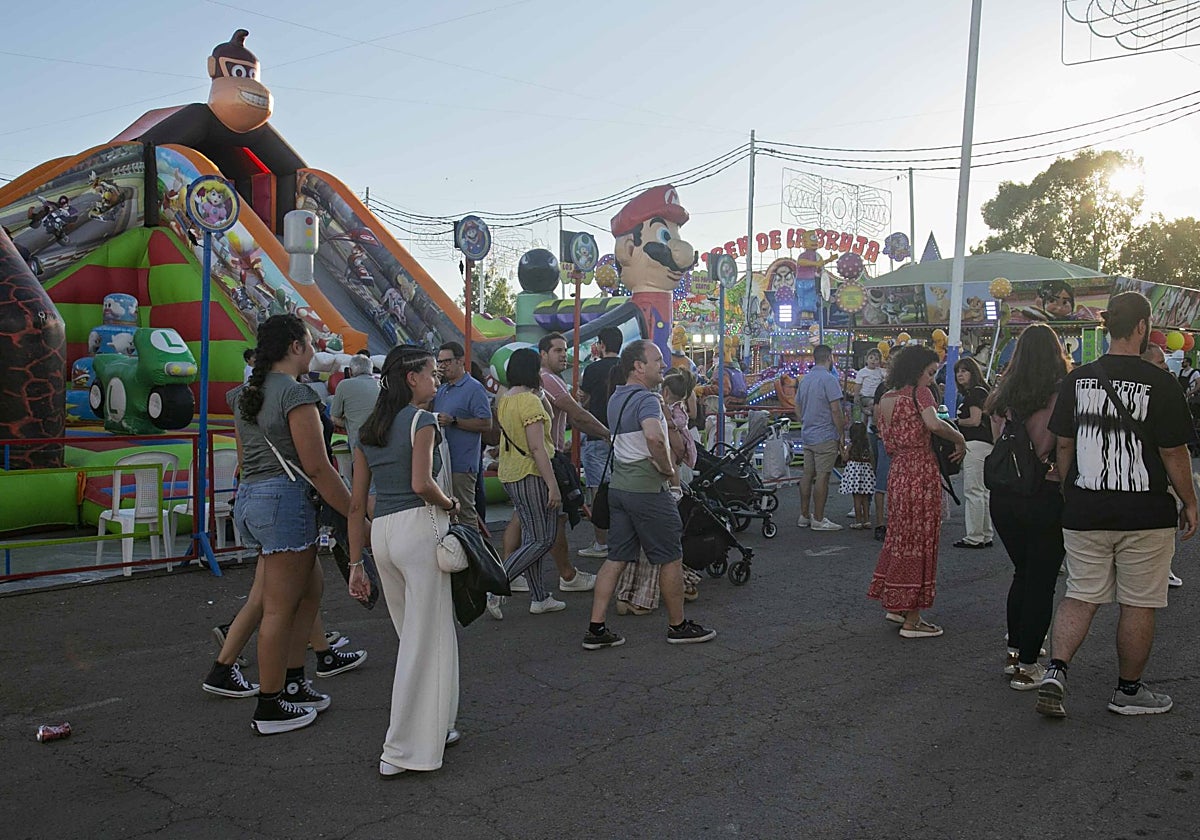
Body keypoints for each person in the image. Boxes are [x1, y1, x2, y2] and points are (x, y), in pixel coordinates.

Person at [1038, 292, 1197, 718]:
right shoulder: (1160, 383)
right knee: (1139, 602)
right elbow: (1173, 452)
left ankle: (1056, 670)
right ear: (1143, 327)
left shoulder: (1078, 380)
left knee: (1080, 594)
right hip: (1145, 513)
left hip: (1085, 509)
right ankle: (1128, 691)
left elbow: (1064, 444)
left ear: (1108, 326)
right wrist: (1190, 501)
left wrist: (1071, 489)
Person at [207, 314, 366, 735]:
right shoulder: (296, 394)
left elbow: (246, 459)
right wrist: (355, 512)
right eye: (310, 343)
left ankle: (294, 684)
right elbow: (317, 467)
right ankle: (271, 703)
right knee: (279, 609)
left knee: (309, 590)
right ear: (295, 347)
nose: (314, 350)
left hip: (252, 499)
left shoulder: (245, 395)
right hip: (285, 502)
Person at [348, 345, 461, 775]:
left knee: (414, 636)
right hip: (419, 529)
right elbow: (422, 483)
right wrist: (450, 504)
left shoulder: (369, 429)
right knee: (426, 639)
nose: (437, 379)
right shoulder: (422, 421)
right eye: (432, 373)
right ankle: (403, 749)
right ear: (412, 378)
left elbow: (356, 504)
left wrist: (355, 564)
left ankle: (436, 726)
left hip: (383, 534)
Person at [583, 340, 717, 650]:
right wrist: (669, 470)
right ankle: (677, 626)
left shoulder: (616, 397)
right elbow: (655, 438)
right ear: (638, 366)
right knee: (671, 556)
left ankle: (596, 628)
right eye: (657, 360)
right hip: (647, 489)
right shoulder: (647, 399)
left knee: (615, 558)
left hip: (620, 488)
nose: (663, 365)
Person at [984, 324, 1070, 690]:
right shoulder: (1062, 393)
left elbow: (998, 442)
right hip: (1044, 492)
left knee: (1023, 573)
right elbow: (1063, 446)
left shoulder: (1002, 394)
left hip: (1004, 495)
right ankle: (1029, 665)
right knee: (1042, 580)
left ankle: (1015, 652)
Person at [867, 345, 965, 639]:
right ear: (916, 370)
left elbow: (884, 436)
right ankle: (913, 618)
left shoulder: (887, 397)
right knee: (921, 542)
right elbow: (933, 424)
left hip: (898, 471)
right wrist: (959, 438)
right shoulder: (920, 393)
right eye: (930, 373)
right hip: (921, 471)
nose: (932, 379)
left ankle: (897, 604)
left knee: (900, 539)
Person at [613, 367, 702, 615]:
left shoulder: (628, 403)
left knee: (637, 546)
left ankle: (627, 594)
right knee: (662, 548)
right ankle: (646, 598)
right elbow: (669, 446)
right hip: (657, 483)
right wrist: (667, 470)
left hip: (631, 482)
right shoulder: (663, 411)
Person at [488, 348, 565, 618]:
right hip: (531, 473)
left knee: (533, 537)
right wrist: (552, 484)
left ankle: (539, 597)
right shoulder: (529, 402)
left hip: (510, 473)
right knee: (543, 539)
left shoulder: (506, 399)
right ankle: (497, 584)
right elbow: (537, 447)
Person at [530, 332, 607, 591]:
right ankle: (567, 575)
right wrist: (608, 434)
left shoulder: (542, 381)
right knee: (555, 517)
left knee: (527, 520)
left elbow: (575, 417)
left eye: (565, 350)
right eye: (557, 350)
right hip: (546, 457)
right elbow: (578, 414)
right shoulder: (548, 380)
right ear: (543, 354)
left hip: (541, 455)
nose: (564, 355)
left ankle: (512, 574)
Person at [433, 341, 493, 531]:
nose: (443, 366)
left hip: (462, 464)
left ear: (460, 361)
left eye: (447, 361)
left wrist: (454, 421)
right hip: (442, 462)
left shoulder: (474, 388)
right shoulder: (442, 389)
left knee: (465, 512)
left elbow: (486, 423)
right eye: (440, 362)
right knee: (446, 513)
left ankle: (474, 548)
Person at [1140, 343, 1185, 589]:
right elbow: (1174, 449)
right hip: (1154, 478)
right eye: (1160, 363)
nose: (1166, 368)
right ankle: (1161, 570)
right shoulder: (1164, 390)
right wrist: (1190, 500)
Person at [577, 326, 623, 559]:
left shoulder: (593, 369)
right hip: (624, 435)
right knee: (622, 486)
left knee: (598, 488)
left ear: (602, 344)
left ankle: (601, 542)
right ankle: (622, 537)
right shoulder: (626, 368)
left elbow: (584, 401)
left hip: (597, 433)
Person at [795, 344, 846, 531]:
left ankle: (804, 515)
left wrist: (805, 421)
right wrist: (841, 433)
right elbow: (836, 410)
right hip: (825, 434)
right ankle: (818, 518)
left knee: (807, 474)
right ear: (830, 357)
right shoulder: (830, 380)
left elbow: (797, 406)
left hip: (808, 434)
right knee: (823, 476)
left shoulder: (805, 380)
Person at [953, 356, 994, 549]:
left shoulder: (974, 394)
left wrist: (955, 422)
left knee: (973, 491)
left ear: (973, 372)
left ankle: (974, 536)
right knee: (983, 492)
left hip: (975, 445)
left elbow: (975, 420)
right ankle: (985, 533)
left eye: (964, 370)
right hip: (986, 445)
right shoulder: (983, 391)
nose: (960, 374)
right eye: (958, 371)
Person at [329, 354, 380, 454]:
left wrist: (350, 422)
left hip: (358, 446)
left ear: (350, 371)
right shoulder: (381, 385)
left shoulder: (344, 385)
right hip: (383, 444)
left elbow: (334, 418)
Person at [839, 421, 875, 530]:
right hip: (866, 472)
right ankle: (867, 520)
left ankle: (858, 521)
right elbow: (872, 458)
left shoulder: (851, 445)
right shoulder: (867, 445)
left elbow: (845, 458)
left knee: (857, 499)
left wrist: (841, 448)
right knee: (865, 498)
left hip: (854, 474)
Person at [854, 349, 886, 422]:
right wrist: (856, 395)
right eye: (871, 358)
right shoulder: (862, 372)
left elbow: (887, 376)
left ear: (879, 362)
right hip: (865, 396)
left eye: (876, 359)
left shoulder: (880, 371)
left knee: (877, 405)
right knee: (874, 404)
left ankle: (869, 414)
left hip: (876, 397)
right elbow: (858, 385)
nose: (873, 360)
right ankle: (866, 411)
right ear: (866, 359)